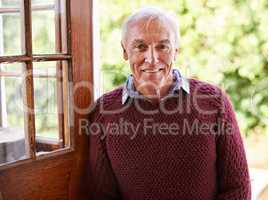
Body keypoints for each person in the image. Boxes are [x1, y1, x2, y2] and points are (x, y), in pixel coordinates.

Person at [87, 7, 251, 200]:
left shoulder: (214, 102)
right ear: (125, 51)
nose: (152, 59)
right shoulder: (103, 112)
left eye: (162, 47)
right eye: (140, 47)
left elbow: (238, 188)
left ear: (176, 51)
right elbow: (102, 195)